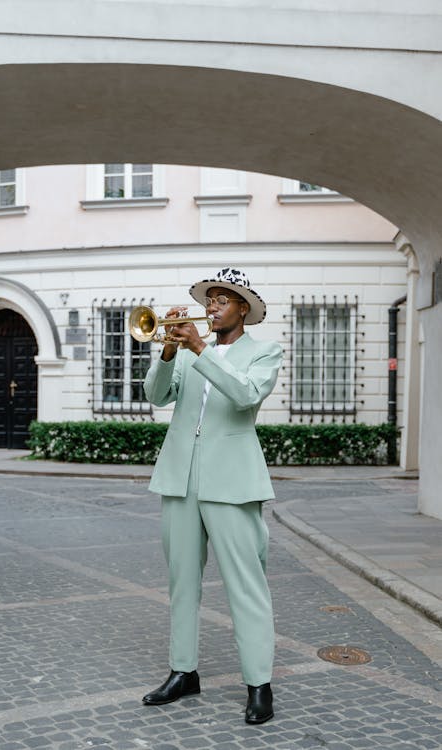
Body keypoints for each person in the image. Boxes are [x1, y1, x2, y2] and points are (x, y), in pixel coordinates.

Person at [142, 267, 282, 724]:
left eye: (224, 300)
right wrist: (167, 349)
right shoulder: (183, 353)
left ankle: (259, 684)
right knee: (182, 582)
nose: (212, 307)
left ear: (245, 308)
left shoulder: (264, 352)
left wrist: (201, 348)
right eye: (210, 300)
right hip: (180, 477)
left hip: (233, 482)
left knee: (247, 584)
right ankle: (183, 671)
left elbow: (244, 397)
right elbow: (155, 396)